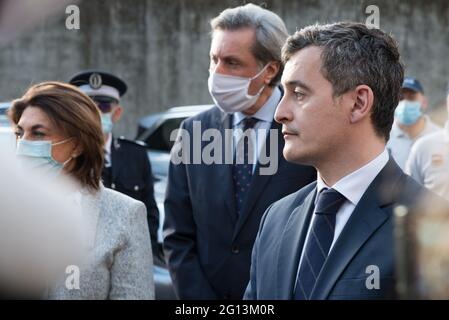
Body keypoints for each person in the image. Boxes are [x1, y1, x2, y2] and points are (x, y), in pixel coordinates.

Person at [244, 22, 447, 300]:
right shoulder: (275, 219)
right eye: (284, 94)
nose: (280, 112)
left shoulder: (432, 226)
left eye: (299, 94)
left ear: (359, 103)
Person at [163, 3, 316, 300]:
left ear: (269, 70)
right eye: (214, 60)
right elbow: (177, 236)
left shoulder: (306, 128)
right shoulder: (193, 131)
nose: (217, 73)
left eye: (231, 63)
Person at [9, 81, 154, 299]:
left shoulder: (125, 213)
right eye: (20, 133)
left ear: (77, 146)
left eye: (38, 134)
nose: (24, 144)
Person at [69, 70, 163, 264]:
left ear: (117, 113)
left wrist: (144, 254)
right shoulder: (66, 154)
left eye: (103, 106)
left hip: (129, 258)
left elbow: (150, 213)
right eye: (88, 106)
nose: (95, 112)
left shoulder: (136, 155)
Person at [405, 82, 449, 200]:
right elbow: (409, 198)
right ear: (447, 102)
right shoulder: (424, 147)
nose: (405, 102)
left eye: (411, 97)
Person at [386, 76, 440, 170]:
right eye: (401, 98)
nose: (405, 102)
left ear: (424, 102)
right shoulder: (382, 137)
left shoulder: (439, 137)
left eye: (411, 97)